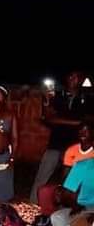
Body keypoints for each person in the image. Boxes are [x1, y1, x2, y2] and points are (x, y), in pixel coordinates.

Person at [29, 71, 91, 202]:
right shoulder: (58, 96)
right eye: (70, 76)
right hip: (56, 143)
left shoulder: (86, 98)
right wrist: (46, 102)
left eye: (76, 77)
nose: (72, 79)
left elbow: (87, 121)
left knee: (71, 179)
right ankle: (33, 203)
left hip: (75, 146)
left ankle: (68, 206)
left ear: (81, 80)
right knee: (42, 176)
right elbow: (49, 118)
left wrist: (62, 120)